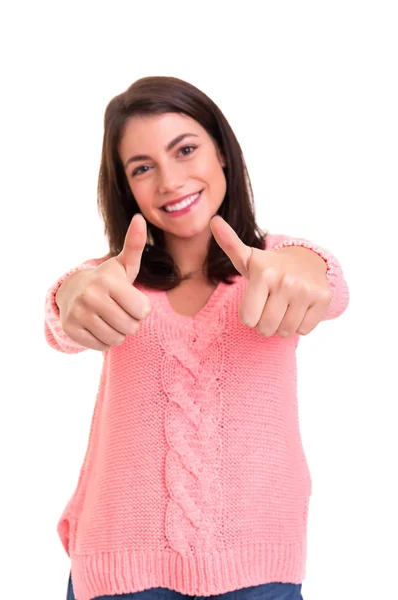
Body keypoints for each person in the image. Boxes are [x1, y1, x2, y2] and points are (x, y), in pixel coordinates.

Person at [44, 76, 349, 600]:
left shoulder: (276, 265)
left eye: (185, 150)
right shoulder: (113, 281)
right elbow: (63, 320)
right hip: (119, 572)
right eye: (143, 168)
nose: (170, 180)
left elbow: (326, 285)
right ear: (127, 188)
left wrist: (303, 267)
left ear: (223, 154)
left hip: (260, 571)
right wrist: (69, 293)